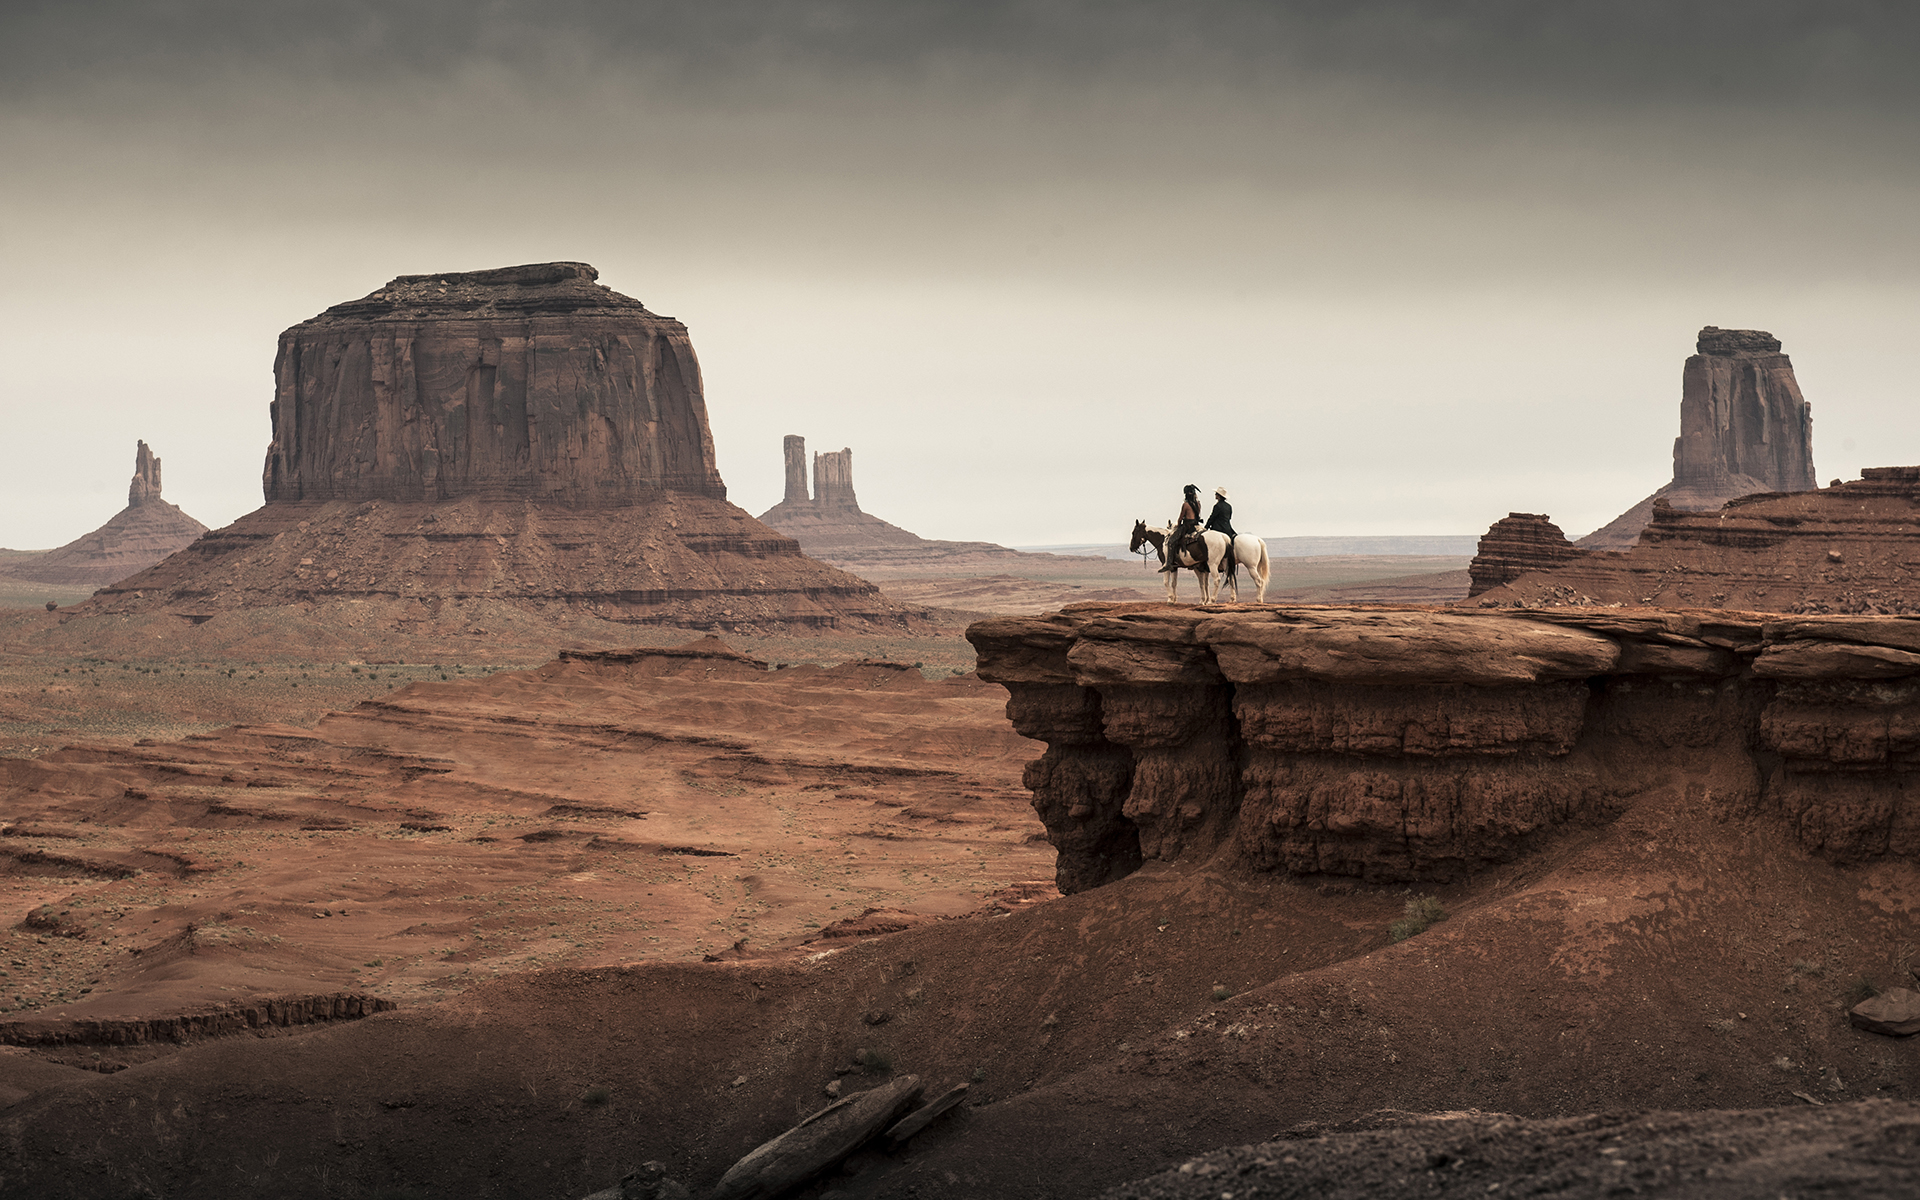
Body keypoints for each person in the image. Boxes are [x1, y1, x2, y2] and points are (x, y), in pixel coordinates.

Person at [1161, 484, 1203, 573]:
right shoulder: (1198, 504)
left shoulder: (1185, 505)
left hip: (1187, 526)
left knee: (1171, 541)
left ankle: (1169, 563)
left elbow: (1180, 518)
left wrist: (1178, 525)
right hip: (1196, 525)